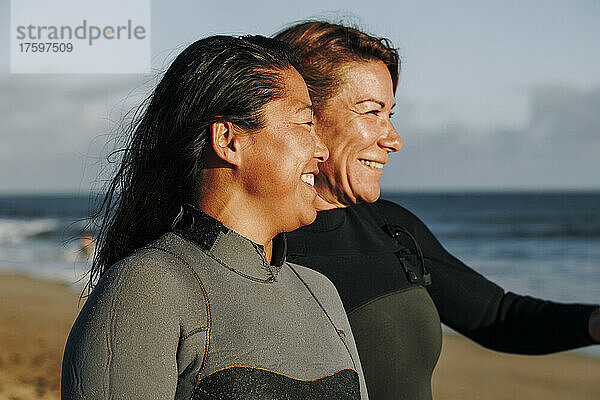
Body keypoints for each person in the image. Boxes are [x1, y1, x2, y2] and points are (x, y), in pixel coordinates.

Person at [276, 21, 600, 399]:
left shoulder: (392, 229)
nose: (393, 140)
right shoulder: (250, 247)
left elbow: (496, 315)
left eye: (390, 115)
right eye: (371, 113)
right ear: (305, 117)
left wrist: (593, 323)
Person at [61, 35, 369, 399]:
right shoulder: (144, 290)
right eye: (305, 123)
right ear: (228, 140)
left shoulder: (320, 292)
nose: (321, 149)